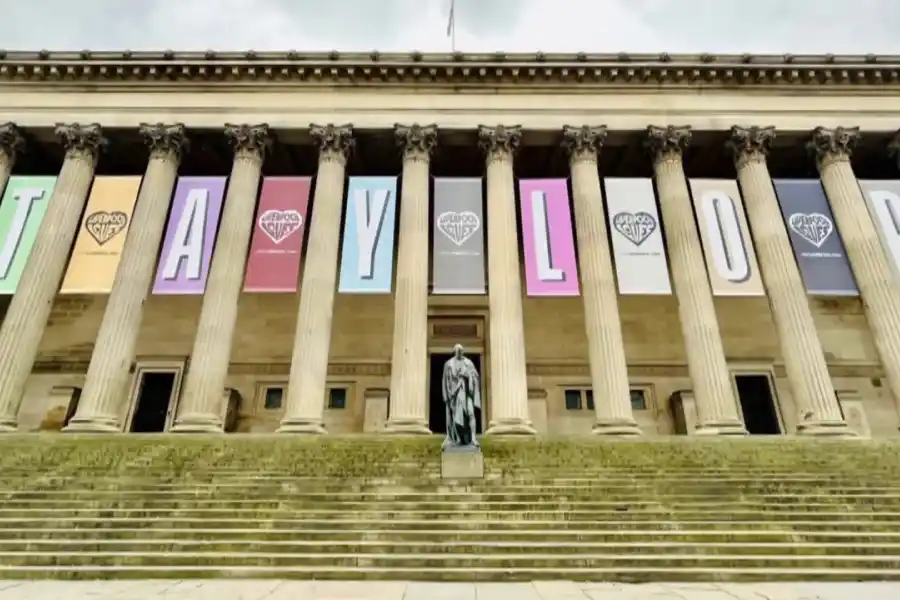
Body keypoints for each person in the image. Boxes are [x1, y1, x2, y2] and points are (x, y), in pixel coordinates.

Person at [441, 344, 481, 448]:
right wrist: (446, 395)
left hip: (466, 393)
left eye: (461, 350)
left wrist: (470, 377)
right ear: (454, 351)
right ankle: (457, 439)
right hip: (453, 395)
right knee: (454, 417)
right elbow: (444, 381)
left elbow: (476, 376)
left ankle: (473, 438)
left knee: (471, 413)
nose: (460, 352)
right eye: (458, 350)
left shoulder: (468, 363)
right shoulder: (448, 364)